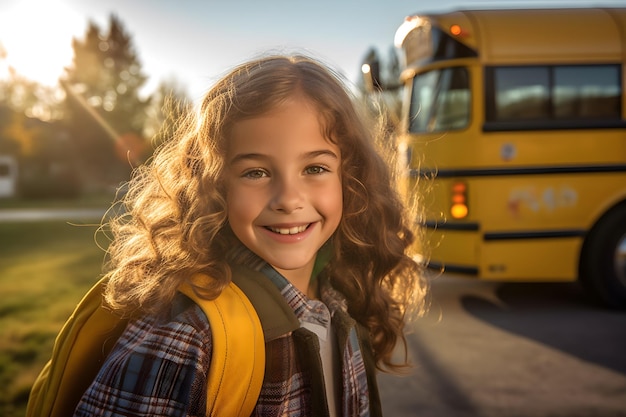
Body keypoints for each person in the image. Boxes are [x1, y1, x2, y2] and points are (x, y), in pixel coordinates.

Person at [74, 54, 429, 417]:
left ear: (349, 178)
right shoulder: (186, 338)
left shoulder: (339, 300)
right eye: (256, 172)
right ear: (214, 185)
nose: (289, 199)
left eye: (315, 168)